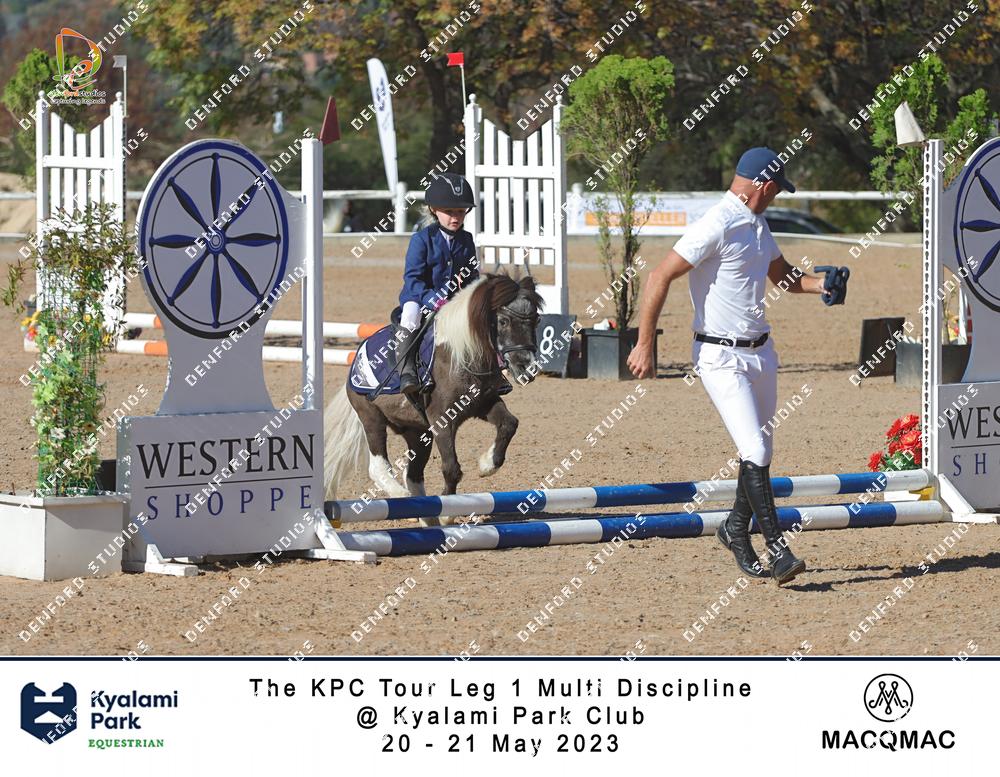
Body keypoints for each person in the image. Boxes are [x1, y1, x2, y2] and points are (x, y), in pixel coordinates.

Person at [627, 147, 846, 585]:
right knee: (757, 451)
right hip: (720, 357)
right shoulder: (717, 223)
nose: (777, 197)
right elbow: (658, 275)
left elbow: (783, 276)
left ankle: (732, 528)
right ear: (763, 186)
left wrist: (822, 284)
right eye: (777, 190)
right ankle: (777, 549)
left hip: (761, 353)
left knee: (758, 452)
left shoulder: (758, 224)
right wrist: (645, 343)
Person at [394, 172, 479, 395]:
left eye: (460, 211)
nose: (455, 217)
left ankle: (493, 368)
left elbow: (471, 275)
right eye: (449, 212)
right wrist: (433, 299)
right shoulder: (421, 239)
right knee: (410, 316)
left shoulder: (467, 240)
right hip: (419, 297)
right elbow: (412, 279)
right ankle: (406, 370)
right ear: (434, 210)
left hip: (453, 300)